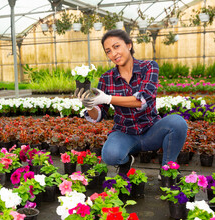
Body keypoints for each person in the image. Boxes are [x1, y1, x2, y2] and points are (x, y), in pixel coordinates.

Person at [75, 29, 188, 177]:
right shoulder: (106, 78)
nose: (113, 54)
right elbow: (99, 114)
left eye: (116, 47)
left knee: (178, 123)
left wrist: (107, 98)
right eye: (108, 51)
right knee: (110, 155)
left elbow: (143, 99)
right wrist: (89, 105)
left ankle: (167, 169)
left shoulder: (149, 67)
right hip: (124, 132)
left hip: (151, 130)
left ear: (129, 45)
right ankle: (126, 161)